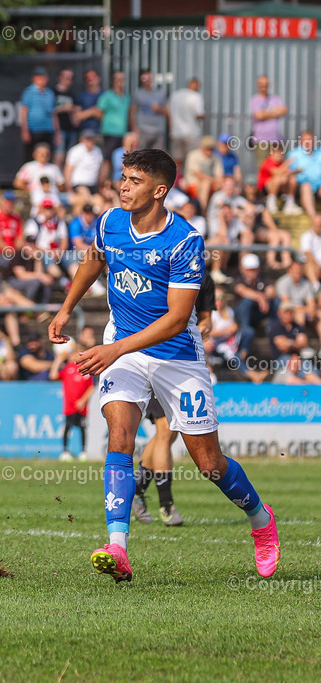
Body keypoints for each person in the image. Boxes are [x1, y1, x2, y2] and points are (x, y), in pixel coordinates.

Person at [48, 148, 280, 583]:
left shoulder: (185, 240)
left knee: (208, 463)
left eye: (134, 180)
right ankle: (117, 547)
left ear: (159, 190)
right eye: (123, 177)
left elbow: (176, 320)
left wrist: (113, 351)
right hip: (124, 347)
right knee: (119, 436)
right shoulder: (110, 221)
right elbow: (94, 260)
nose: (123, 187)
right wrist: (66, 308)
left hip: (177, 356)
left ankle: (261, 520)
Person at [132, 277, 215, 526]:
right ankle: (166, 505)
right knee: (166, 431)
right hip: (152, 359)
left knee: (167, 435)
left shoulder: (203, 277)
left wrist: (204, 328)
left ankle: (136, 490)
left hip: (183, 361)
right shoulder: (157, 267)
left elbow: (206, 318)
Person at [51, 332, 95, 461]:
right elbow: (53, 376)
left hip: (81, 407)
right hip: (69, 406)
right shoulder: (68, 368)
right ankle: (65, 452)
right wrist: (58, 360)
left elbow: (91, 387)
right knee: (67, 428)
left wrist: (83, 401)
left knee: (82, 428)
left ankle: (83, 451)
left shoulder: (85, 368)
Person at [19, 67, 58, 163]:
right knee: (30, 157)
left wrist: (57, 132)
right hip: (33, 130)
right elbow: (24, 112)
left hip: (48, 130)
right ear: (34, 78)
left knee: (47, 157)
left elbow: (53, 114)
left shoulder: (50, 93)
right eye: (39, 77)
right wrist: (25, 131)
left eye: (43, 77)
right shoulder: (28, 92)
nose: (41, 79)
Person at [168, 77, 204, 174]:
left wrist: (170, 130)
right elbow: (199, 114)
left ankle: (175, 180)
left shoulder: (175, 95)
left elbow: (169, 113)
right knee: (192, 160)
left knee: (177, 160)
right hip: (191, 133)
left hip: (176, 132)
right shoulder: (196, 96)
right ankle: (188, 180)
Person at [250, 75, 287, 169]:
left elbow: (284, 110)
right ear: (257, 85)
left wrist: (265, 113)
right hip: (261, 139)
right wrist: (274, 112)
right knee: (263, 167)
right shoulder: (255, 100)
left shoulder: (274, 98)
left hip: (276, 139)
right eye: (261, 84)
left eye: (266, 84)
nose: (264, 86)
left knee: (278, 166)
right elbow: (259, 115)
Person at [129, 69, 168, 151]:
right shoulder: (138, 93)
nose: (147, 80)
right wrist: (134, 128)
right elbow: (132, 111)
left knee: (157, 156)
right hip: (143, 131)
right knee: (142, 155)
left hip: (158, 131)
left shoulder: (160, 93)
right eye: (144, 77)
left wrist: (159, 109)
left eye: (149, 77)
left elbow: (166, 113)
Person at [96, 71, 130, 163]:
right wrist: (109, 122)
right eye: (117, 79)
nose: (120, 81)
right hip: (110, 133)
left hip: (123, 133)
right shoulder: (107, 96)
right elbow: (98, 113)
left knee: (121, 159)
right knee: (107, 160)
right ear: (113, 81)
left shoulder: (126, 97)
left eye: (122, 79)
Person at [52, 68, 77, 169]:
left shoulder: (72, 94)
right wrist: (64, 108)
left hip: (71, 129)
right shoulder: (53, 92)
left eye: (70, 78)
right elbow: (50, 111)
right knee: (59, 155)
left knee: (70, 157)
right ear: (59, 78)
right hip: (58, 129)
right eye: (66, 77)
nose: (68, 80)